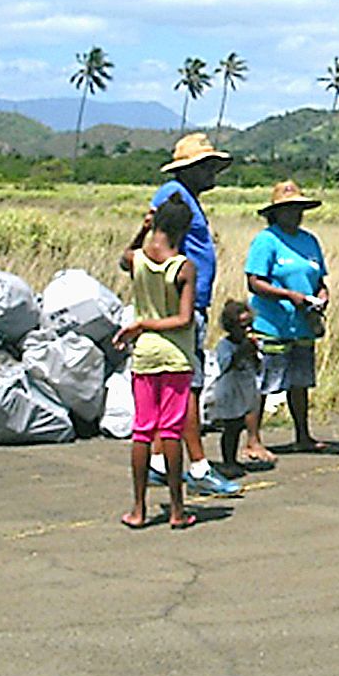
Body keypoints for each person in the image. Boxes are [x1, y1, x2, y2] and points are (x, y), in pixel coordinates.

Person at [137, 133, 242, 497]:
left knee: (178, 384)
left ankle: (158, 462)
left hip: (191, 303)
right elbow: (159, 245)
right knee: (187, 386)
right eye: (206, 166)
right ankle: (198, 465)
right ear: (189, 170)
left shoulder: (185, 197)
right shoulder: (174, 196)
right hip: (183, 304)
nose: (212, 173)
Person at [112, 194, 198, 530]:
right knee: (171, 430)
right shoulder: (183, 267)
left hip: (145, 354)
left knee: (142, 430)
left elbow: (125, 257)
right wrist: (146, 324)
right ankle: (177, 509)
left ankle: (138, 508)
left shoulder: (137, 260)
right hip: (174, 355)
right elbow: (184, 319)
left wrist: (142, 229)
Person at [245, 180, 335, 453]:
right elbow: (255, 282)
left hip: (303, 323)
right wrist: (288, 295)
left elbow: (319, 279)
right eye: (288, 209)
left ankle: (303, 436)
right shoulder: (266, 240)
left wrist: (321, 296)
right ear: (276, 212)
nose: (294, 214)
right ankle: (253, 440)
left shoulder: (309, 241)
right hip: (272, 322)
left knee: (300, 382)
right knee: (264, 383)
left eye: (298, 208)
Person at [205, 299, 266, 474]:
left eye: (250, 325)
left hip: (245, 389)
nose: (247, 330)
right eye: (242, 327)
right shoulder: (225, 345)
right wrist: (241, 352)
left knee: (239, 425)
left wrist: (254, 353)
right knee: (231, 427)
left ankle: (233, 459)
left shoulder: (252, 343)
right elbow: (225, 366)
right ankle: (228, 461)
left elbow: (258, 367)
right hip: (230, 391)